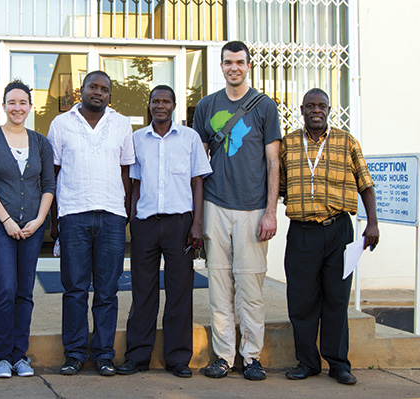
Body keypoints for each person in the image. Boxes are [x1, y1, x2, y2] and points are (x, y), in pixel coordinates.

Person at [192, 41, 281, 381]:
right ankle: (224, 356)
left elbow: (274, 163)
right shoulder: (206, 105)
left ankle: (252, 356)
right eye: (228, 62)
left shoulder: (264, 107)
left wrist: (271, 212)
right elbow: (199, 166)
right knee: (218, 284)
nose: (234, 68)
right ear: (221, 65)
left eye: (240, 62)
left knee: (251, 287)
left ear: (248, 65)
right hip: (216, 204)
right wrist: (197, 217)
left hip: (254, 209)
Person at [280, 88, 379, 385]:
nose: (316, 110)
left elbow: (366, 184)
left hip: (339, 231)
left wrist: (372, 223)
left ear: (329, 109)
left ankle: (338, 364)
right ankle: (307, 362)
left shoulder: (347, 142)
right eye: (310, 105)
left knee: (336, 299)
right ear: (301, 109)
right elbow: (279, 186)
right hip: (301, 232)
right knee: (301, 301)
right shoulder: (287, 144)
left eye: (321, 105)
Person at [116, 86, 211, 378]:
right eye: (156, 101)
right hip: (145, 222)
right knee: (142, 291)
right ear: (150, 105)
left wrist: (197, 224)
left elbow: (198, 182)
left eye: (166, 101)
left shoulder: (190, 138)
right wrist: (132, 218)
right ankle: (137, 355)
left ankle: (178, 358)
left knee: (180, 290)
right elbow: (134, 183)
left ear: (174, 105)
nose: (160, 105)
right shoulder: (137, 139)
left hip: (180, 223)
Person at [48, 70, 134, 377]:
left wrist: (124, 212)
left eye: (104, 89)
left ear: (110, 94)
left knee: (108, 291)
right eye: (93, 87)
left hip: (111, 217)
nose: (98, 92)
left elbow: (126, 172)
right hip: (73, 214)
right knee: (75, 289)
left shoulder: (122, 124)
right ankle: (73, 353)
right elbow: (54, 174)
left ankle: (103, 354)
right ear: (81, 90)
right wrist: (55, 219)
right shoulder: (60, 124)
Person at [0, 80, 55, 379]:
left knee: (25, 291)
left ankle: (20, 356)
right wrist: (7, 220)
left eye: (23, 102)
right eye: (12, 102)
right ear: (4, 106)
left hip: (33, 227)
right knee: (6, 288)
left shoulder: (40, 142)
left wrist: (38, 221)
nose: (17, 107)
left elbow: (48, 185)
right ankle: (2, 357)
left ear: (30, 107)